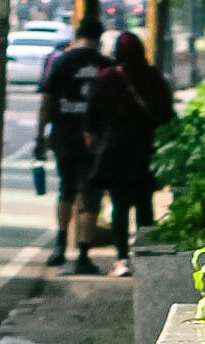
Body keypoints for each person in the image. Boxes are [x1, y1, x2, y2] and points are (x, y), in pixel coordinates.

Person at [74, 28, 173, 277]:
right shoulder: (153, 77)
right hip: (146, 148)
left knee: (119, 205)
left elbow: (92, 115)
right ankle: (146, 253)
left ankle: (121, 258)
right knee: (144, 203)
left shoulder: (106, 77)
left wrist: (93, 141)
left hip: (115, 148)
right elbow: (167, 113)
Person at [33, 10, 105, 270]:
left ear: (78, 35)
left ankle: (60, 246)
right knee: (91, 196)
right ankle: (84, 256)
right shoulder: (104, 65)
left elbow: (46, 101)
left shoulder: (61, 62)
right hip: (95, 142)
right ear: (99, 38)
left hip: (63, 137)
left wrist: (40, 136)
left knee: (66, 190)